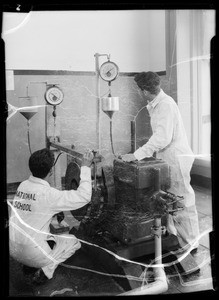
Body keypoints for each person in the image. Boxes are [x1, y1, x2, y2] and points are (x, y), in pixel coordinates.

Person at [121, 71, 200, 251]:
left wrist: (135, 155)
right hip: (168, 157)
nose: (140, 94)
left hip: (176, 158)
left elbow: (162, 138)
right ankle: (175, 237)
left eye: (140, 90)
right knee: (169, 198)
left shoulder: (165, 105)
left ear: (145, 91)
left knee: (181, 200)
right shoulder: (156, 104)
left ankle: (190, 243)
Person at [9, 147, 93, 284]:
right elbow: (84, 196)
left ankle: (29, 266)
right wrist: (85, 167)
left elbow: (34, 207)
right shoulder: (48, 195)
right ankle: (45, 271)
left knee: (46, 237)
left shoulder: (22, 186)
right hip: (33, 254)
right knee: (74, 242)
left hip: (13, 250)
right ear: (51, 171)